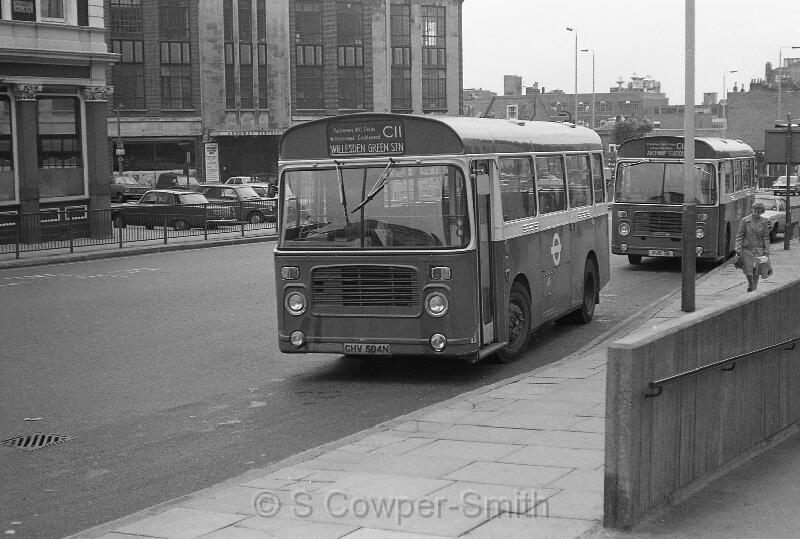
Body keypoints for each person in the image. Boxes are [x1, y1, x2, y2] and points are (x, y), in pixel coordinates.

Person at [735, 201, 770, 292]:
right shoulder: (745, 220)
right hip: (747, 249)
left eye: (759, 211)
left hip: (759, 249)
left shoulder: (764, 222)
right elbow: (740, 235)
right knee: (748, 269)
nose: (757, 212)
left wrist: (767, 251)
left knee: (757, 269)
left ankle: (754, 288)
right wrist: (738, 249)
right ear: (753, 209)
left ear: (762, 211)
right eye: (756, 210)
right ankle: (751, 283)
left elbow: (766, 237)